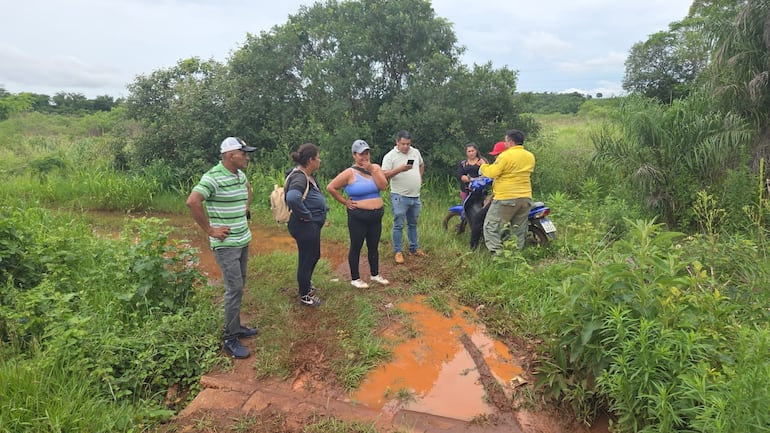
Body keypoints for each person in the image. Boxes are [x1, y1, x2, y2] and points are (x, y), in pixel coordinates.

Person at [186, 136, 258, 359]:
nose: (247, 157)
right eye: (243, 153)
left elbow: (249, 190)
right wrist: (210, 230)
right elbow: (193, 201)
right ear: (230, 156)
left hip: (242, 239)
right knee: (234, 288)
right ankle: (230, 338)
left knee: (240, 284)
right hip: (226, 245)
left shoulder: (239, 174)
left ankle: (236, 328)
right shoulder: (213, 177)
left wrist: (243, 209)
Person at [326, 139, 390, 289]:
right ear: (354, 155)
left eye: (367, 153)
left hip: (376, 215)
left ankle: (375, 274)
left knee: (373, 246)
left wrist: (373, 170)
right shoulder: (350, 172)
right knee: (356, 246)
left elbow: (383, 186)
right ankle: (355, 278)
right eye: (361, 154)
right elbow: (331, 187)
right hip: (358, 216)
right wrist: (345, 202)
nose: (364, 157)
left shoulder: (375, 168)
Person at [285, 142, 328, 307]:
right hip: (304, 226)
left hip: (309, 225)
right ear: (310, 160)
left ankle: (306, 284)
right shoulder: (299, 177)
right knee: (307, 258)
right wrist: (306, 215)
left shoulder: (307, 175)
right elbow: (293, 198)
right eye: (318, 158)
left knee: (313, 255)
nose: (320, 160)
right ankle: (305, 295)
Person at [479, 130, 535, 254]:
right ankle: (515, 256)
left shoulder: (505, 155)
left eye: (505, 141)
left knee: (491, 227)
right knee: (518, 230)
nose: (505, 144)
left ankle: (497, 256)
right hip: (525, 197)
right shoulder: (530, 156)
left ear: (510, 141)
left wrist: (483, 166)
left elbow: (492, 173)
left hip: (506, 197)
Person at [381, 130, 425, 264]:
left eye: (408, 144)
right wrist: (400, 169)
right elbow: (384, 174)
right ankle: (398, 251)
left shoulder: (415, 152)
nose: (406, 147)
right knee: (399, 224)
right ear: (397, 142)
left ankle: (414, 248)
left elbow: (421, 164)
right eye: (403, 144)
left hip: (415, 195)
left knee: (413, 223)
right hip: (399, 196)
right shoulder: (390, 156)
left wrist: (419, 177)